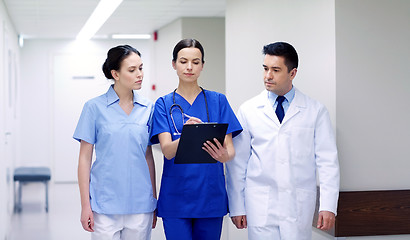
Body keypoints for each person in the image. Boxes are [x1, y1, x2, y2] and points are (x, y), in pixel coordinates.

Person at [226, 42, 340, 240]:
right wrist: (237, 206)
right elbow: (238, 164)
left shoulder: (315, 111)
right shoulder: (249, 110)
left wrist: (328, 206)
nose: (267, 75)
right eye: (265, 68)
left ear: (292, 73)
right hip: (260, 204)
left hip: (298, 205)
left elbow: (328, 162)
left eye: (275, 70)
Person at [150, 38, 242, 240]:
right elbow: (167, 150)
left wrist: (223, 155)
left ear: (202, 65)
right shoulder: (163, 104)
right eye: (183, 61)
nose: (189, 67)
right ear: (174, 64)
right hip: (176, 197)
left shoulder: (218, 101)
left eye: (196, 62)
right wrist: (188, 134)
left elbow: (230, 151)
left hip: (210, 196)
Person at [73, 45, 157, 240]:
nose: (139, 74)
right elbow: (84, 159)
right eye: (132, 70)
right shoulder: (94, 108)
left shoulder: (148, 108)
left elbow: (148, 157)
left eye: (141, 68)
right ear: (115, 74)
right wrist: (86, 205)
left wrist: (153, 199)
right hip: (104, 205)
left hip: (140, 205)